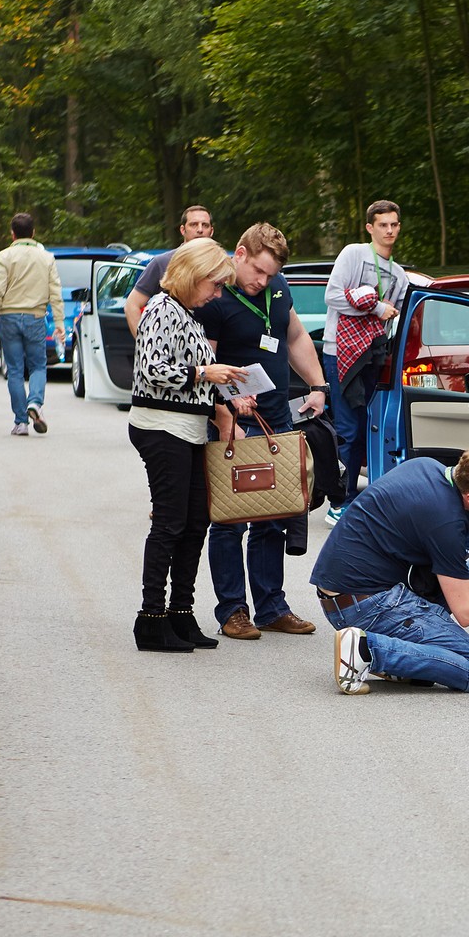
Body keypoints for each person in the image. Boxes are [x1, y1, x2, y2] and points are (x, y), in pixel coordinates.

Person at [310, 441, 469, 694]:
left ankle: (409, 650)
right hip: (364, 606)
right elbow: (468, 613)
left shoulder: (426, 466)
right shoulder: (446, 523)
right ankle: (367, 649)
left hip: (345, 591)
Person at [195, 223, 331, 641]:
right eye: (258, 271)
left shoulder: (277, 288)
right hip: (235, 424)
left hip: (277, 420)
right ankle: (232, 610)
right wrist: (226, 408)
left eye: (271, 274)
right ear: (239, 254)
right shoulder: (215, 296)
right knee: (231, 521)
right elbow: (205, 363)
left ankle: (272, 607)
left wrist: (318, 386)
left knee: (274, 516)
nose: (263, 281)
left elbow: (295, 336)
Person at [127, 237, 249, 653]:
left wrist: (229, 396)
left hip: (188, 428)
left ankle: (180, 612)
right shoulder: (162, 308)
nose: (217, 295)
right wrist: (204, 373)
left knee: (195, 523)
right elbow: (152, 369)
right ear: (193, 275)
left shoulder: (186, 313)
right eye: (215, 285)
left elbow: (191, 374)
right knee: (169, 523)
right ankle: (151, 618)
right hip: (162, 427)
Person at [322, 199, 408, 521]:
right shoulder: (354, 254)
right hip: (340, 352)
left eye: (394, 224)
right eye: (383, 225)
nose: (389, 230)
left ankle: (356, 497)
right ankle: (338, 502)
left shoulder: (399, 275)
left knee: (365, 428)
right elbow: (332, 295)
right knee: (348, 428)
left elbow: (399, 318)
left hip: (373, 355)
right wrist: (376, 307)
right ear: (370, 228)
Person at [0, 212, 62, 435]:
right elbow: (55, 291)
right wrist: (59, 321)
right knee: (38, 365)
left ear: (12, 234)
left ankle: (21, 423)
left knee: (15, 371)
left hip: (9, 317)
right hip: (35, 317)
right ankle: (35, 402)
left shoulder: (3, 257)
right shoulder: (46, 258)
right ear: (33, 232)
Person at [124, 204, 217, 335]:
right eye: (194, 224)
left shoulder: (219, 266)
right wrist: (145, 342)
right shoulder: (162, 263)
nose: (200, 230)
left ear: (211, 231)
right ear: (183, 230)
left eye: (205, 225)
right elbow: (132, 305)